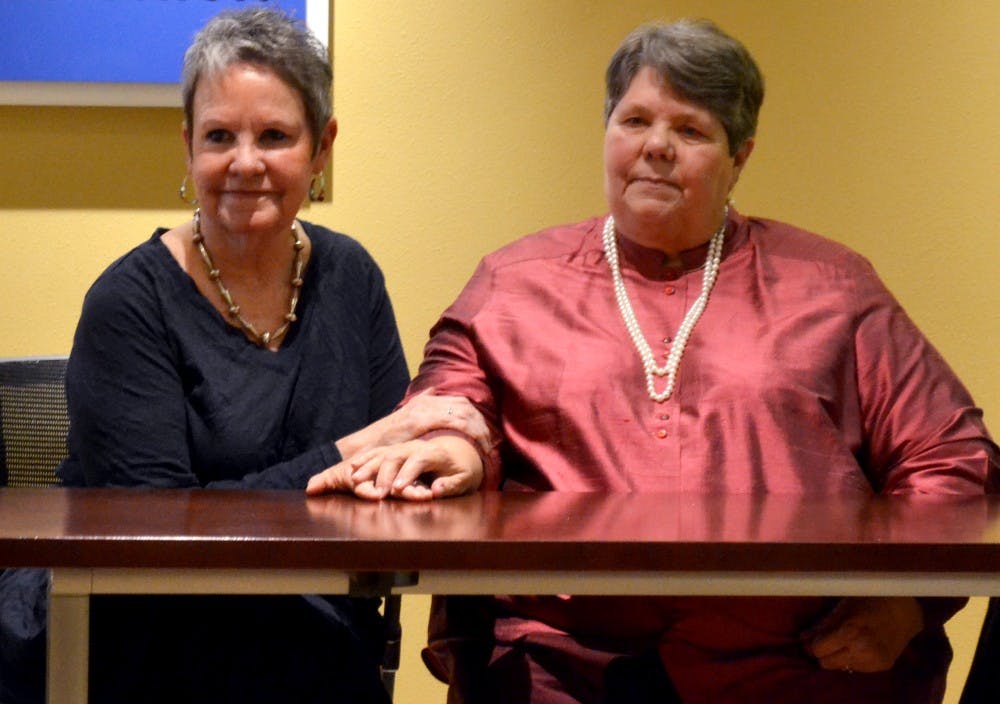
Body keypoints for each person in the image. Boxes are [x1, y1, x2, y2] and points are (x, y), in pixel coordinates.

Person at [307, 19, 1000, 704]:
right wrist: (458, 444)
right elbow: (448, 404)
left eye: (691, 131)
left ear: (741, 156)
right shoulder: (515, 283)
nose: (656, 149)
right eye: (634, 121)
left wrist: (907, 602)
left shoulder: (833, 288)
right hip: (561, 666)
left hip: (793, 666)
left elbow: (953, 459)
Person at [0, 8, 488, 704]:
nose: (245, 162)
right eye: (220, 136)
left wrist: (453, 453)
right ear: (187, 147)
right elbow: (156, 538)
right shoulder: (127, 303)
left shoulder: (352, 278)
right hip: (131, 639)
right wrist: (356, 448)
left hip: (305, 626)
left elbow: (389, 486)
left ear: (323, 148)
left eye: (276, 136)